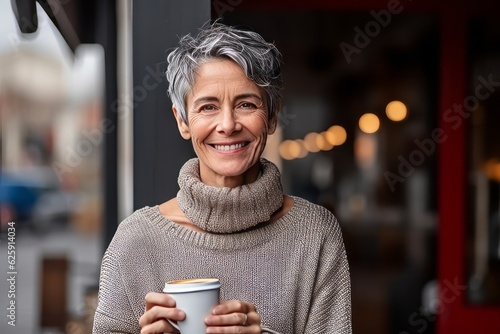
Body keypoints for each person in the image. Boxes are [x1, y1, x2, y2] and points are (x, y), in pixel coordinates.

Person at [92, 22, 351, 334]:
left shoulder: (315, 234)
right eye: (208, 107)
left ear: (271, 117)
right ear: (182, 120)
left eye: (246, 104)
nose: (228, 125)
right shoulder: (135, 241)